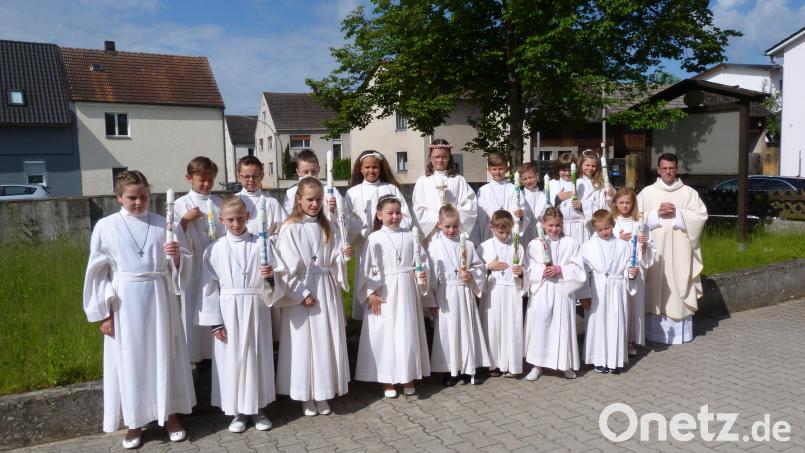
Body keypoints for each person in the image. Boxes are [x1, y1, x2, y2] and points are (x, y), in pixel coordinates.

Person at [83, 170, 194, 449]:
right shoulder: (106, 227)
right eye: (131, 198)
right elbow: (97, 272)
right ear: (119, 197)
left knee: (164, 356)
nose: (138, 202)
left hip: (160, 297)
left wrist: (177, 257)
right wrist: (104, 313)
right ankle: (135, 423)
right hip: (125, 302)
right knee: (131, 361)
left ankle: (170, 416)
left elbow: (183, 267)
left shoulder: (163, 224)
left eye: (143, 196)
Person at [198, 197, 279, 433]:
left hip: (256, 306)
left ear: (248, 217)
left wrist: (271, 275)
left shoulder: (262, 244)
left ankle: (258, 409)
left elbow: (278, 279)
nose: (236, 224)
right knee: (233, 360)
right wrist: (215, 322)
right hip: (228, 308)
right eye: (230, 220)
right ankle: (238, 413)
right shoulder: (214, 249)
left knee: (256, 357)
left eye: (240, 218)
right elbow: (208, 287)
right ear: (221, 220)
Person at [273, 177, 352, 416]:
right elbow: (284, 266)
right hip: (303, 291)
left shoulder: (328, 226)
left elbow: (333, 258)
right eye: (309, 199)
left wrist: (343, 256)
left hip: (326, 288)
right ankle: (305, 395)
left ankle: (324, 391)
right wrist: (302, 293)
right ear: (298, 199)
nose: (315, 204)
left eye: (318, 200)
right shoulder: (289, 228)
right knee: (304, 343)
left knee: (325, 339)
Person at [354, 195, 431, 398]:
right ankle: (387, 379)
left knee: (406, 333)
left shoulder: (410, 236)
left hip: (406, 289)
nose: (395, 217)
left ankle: (408, 375)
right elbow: (366, 269)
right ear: (379, 215)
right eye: (390, 213)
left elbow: (422, 261)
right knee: (386, 335)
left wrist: (422, 273)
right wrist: (370, 293)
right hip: (384, 291)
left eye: (398, 213)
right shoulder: (374, 238)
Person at [637, 153, 708, 344]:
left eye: (671, 168)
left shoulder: (689, 193)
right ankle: (654, 333)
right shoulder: (647, 193)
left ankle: (679, 335)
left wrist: (679, 214)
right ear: (658, 170)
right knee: (655, 285)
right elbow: (635, 217)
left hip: (681, 251)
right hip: (655, 250)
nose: (668, 172)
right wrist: (655, 214)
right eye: (664, 168)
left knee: (680, 284)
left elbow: (701, 216)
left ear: (676, 169)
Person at [345, 150, 412, 320]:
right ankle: (368, 316)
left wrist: (389, 229)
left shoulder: (391, 189)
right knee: (368, 275)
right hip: (366, 244)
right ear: (360, 169)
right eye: (367, 167)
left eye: (375, 167)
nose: (371, 171)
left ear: (380, 168)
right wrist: (361, 229)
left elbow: (404, 215)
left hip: (391, 245)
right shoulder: (352, 192)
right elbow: (347, 219)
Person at [427, 204, 490, 386]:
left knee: (468, 329)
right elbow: (431, 276)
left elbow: (479, 268)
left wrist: (471, 275)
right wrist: (431, 301)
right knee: (448, 332)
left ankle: (471, 368)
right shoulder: (434, 247)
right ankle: (451, 370)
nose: (451, 230)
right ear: (439, 225)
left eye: (455, 226)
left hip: (464, 293)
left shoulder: (468, 245)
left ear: (459, 224)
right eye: (447, 226)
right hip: (445, 294)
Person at [523, 207, 586, 381]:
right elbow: (528, 267)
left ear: (562, 224)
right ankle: (537, 365)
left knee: (563, 326)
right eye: (550, 225)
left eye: (558, 225)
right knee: (540, 325)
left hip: (562, 289)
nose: (554, 229)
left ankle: (565, 364)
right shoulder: (535, 244)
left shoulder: (571, 243)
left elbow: (579, 269)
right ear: (543, 224)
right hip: (543, 289)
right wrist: (541, 271)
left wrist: (561, 269)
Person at [173, 156, 223, 363]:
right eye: (201, 179)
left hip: (216, 266)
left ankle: (215, 353)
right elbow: (170, 236)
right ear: (189, 178)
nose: (206, 184)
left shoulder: (219, 203)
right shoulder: (179, 204)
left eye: (210, 179)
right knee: (195, 307)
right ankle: (196, 356)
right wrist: (184, 221)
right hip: (192, 266)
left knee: (216, 308)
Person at [581, 210, 638, 374]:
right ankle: (598, 359)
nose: (604, 232)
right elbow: (584, 273)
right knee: (598, 323)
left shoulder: (623, 246)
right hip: (597, 289)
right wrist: (585, 294)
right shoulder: (588, 247)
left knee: (615, 322)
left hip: (616, 288)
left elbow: (628, 265)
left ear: (613, 225)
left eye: (607, 228)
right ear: (594, 229)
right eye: (600, 230)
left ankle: (615, 359)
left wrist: (630, 273)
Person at [477, 210, 525, 377]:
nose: (505, 235)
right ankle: (493, 364)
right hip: (493, 291)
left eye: (508, 232)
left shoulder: (517, 246)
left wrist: (520, 272)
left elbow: (525, 269)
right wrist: (488, 267)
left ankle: (511, 364)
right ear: (491, 228)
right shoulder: (484, 247)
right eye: (500, 232)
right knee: (493, 326)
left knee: (511, 326)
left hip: (511, 291)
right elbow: (476, 270)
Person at [611, 188, 654, 354]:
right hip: (619, 270)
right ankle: (619, 339)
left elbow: (651, 250)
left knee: (633, 305)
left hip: (636, 270)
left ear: (633, 204)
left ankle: (630, 340)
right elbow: (604, 242)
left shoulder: (639, 224)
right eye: (621, 202)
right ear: (615, 203)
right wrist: (618, 239)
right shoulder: (612, 221)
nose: (624, 206)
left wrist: (644, 244)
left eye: (628, 202)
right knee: (620, 305)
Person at [412, 138, 478, 244]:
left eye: (444, 157)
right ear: (430, 158)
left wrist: (451, 218)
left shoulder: (458, 180)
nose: (440, 160)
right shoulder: (423, 181)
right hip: (432, 232)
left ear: (450, 158)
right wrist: (438, 219)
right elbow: (418, 209)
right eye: (436, 157)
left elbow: (470, 205)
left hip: (453, 231)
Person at [282, 149, 343, 221]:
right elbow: (286, 219)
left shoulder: (331, 191)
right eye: (306, 172)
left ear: (319, 169)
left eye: (313, 171)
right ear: (298, 172)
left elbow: (343, 220)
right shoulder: (291, 194)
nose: (310, 175)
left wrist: (335, 210)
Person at [234, 155, 286, 237]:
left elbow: (282, 230)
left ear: (262, 176)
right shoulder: (232, 201)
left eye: (255, 176)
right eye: (247, 176)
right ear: (239, 177)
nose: (251, 180)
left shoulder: (271, 202)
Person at [474, 153, 516, 244]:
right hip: (490, 231)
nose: (497, 172)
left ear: (507, 169)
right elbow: (481, 214)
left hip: (508, 232)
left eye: (501, 169)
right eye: (494, 169)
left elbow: (516, 210)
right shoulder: (483, 190)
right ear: (489, 170)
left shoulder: (513, 189)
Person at [576, 150, 615, 238]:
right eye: (587, 165)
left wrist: (610, 195)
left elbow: (611, 201)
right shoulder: (578, 183)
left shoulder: (602, 182)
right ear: (581, 164)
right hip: (585, 220)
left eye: (593, 166)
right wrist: (582, 206)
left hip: (600, 219)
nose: (590, 168)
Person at [518, 162, 547, 249]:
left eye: (531, 177)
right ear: (521, 181)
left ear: (537, 176)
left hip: (539, 231)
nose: (528, 181)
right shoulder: (520, 195)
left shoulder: (544, 196)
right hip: (524, 231)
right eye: (525, 179)